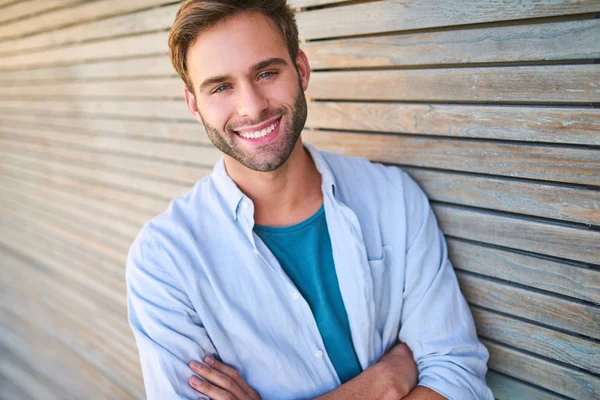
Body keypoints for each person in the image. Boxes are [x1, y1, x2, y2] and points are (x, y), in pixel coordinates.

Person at [126, 1, 494, 399]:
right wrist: (385, 381)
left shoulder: (392, 197)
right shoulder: (165, 259)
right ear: (194, 104)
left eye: (266, 72)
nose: (252, 106)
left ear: (301, 69)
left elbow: (457, 376)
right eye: (221, 87)